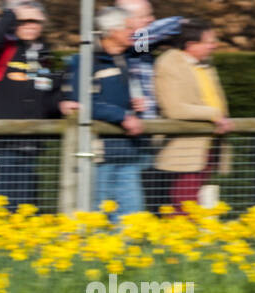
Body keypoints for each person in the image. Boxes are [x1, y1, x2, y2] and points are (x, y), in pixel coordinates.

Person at [60, 7, 148, 220]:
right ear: (112, 31)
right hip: (99, 154)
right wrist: (123, 116)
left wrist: (133, 104)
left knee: (131, 215)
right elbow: (82, 102)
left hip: (129, 151)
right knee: (98, 214)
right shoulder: (86, 61)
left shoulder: (126, 58)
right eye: (128, 27)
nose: (133, 32)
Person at [0, 1, 61, 210]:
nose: (29, 25)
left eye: (35, 21)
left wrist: (63, 104)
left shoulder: (44, 55)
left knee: (24, 207)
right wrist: (12, 13)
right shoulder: (2, 51)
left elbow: (48, 97)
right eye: (24, 21)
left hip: (28, 147)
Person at [154, 18, 233, 213]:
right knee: (184, 203)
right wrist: (214, 114)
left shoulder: (205, 64)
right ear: (191, 45)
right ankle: (181, 240)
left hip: (209, 144)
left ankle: (194, 238)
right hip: (184, 149)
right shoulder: (169, 63)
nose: (213, 46)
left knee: (196, 201)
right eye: (208, 41)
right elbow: (174, 108)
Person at [118, 0, 183, 212]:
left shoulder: (142, 46)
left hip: (148, 130)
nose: (151, 20)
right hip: (131, 131)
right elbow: (172, 25)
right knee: (135, 191)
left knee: (150, 188)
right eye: (146, 16)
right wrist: (184, 21)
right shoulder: (131, 43)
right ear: (127, 20)